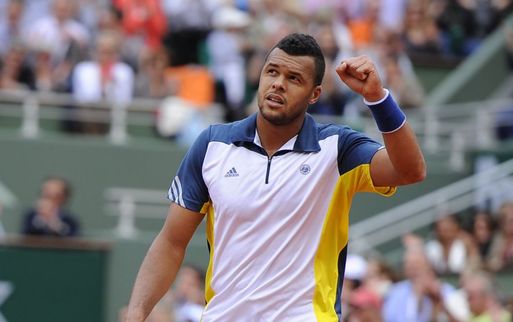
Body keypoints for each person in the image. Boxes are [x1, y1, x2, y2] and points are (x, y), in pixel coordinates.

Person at [125, 33, 425, 322]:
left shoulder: (338, 148)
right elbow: (171, 242)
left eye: (294, 79)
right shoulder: (212, 144)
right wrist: (136, 314)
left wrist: (378, 99)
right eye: (272, 72)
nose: (278, 84)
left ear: (314, 94)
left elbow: (410, 170)